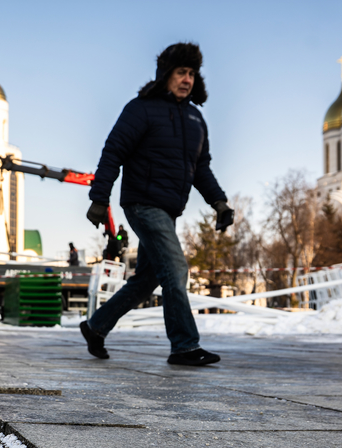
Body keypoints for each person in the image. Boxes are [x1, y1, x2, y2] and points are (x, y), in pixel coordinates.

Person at [79, 42, 234, 367]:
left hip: (168, 209)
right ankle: (184, 346)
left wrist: (219, 202)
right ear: (165, 75)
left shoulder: (195, 118)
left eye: (192, 74)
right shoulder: (142, 109)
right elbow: (113, 151)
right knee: (175, 268)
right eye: (181, 72)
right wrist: (99, 198)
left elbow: (201, 168)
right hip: (142, 203)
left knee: (148, 279)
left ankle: (96, 327)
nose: (187, 79)